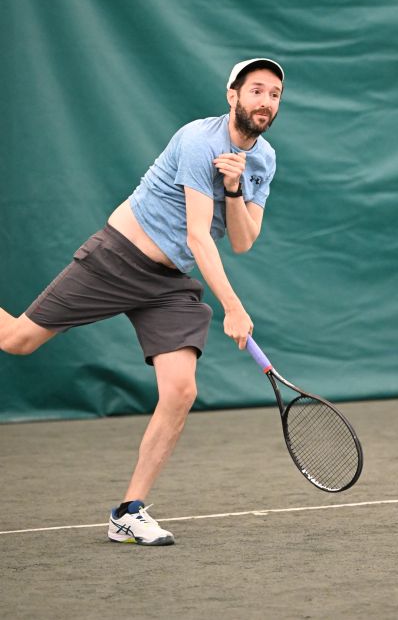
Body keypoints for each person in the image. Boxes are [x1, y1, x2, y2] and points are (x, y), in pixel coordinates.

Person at [0, 57, 284, 546]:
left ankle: (128, 512)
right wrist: (234, 307)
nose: (266, 101)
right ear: (232, 95)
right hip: (118, 257)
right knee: (16, 340)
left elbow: (242, 240)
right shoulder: (198, 140)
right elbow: (199, 236)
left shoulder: (264, 158)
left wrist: (235, 189)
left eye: (274, 94)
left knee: (181, 391)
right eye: (256, 90)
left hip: (169, 284)